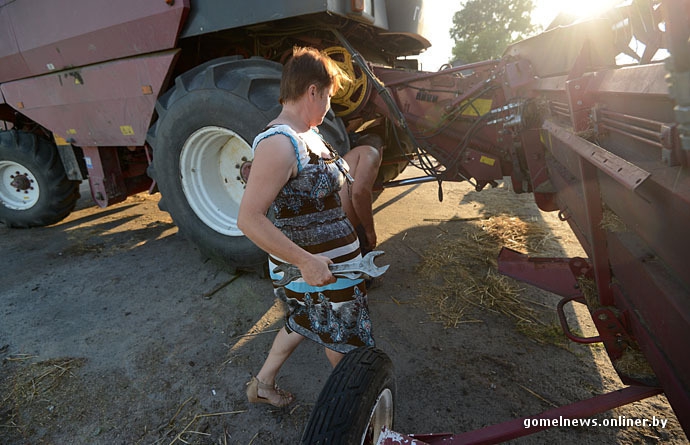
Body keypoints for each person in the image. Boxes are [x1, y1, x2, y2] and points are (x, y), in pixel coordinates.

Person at [237, 46, 375, 408]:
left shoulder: (307, 134)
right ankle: (355, 415)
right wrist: (306, 262)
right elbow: (249, 219)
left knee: (304, 319)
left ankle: (263, 383)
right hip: (316, 269)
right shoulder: (279, 142)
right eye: (328, 95)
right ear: (312, 91)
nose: (329, 104)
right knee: (345, 342)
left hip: (330, 268)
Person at [339, 134, 383, 255]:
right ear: (381, 150)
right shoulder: (370, 152)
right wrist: (369, 230)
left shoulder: (350, 156)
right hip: (341, 232)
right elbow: (359, 193)